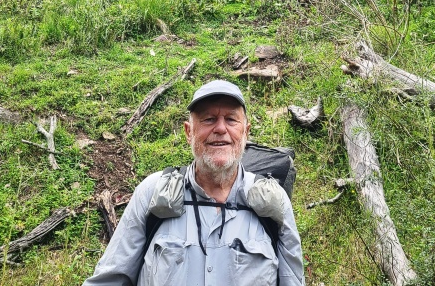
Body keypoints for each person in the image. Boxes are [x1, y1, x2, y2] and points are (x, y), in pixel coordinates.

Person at [84, 80, 305, 285]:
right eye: (209, 119)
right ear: (189, 132)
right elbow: (109, 280)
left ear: (245, 132)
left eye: (231, 119)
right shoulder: (152, 193)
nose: (220, 129)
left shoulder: (273, 201)